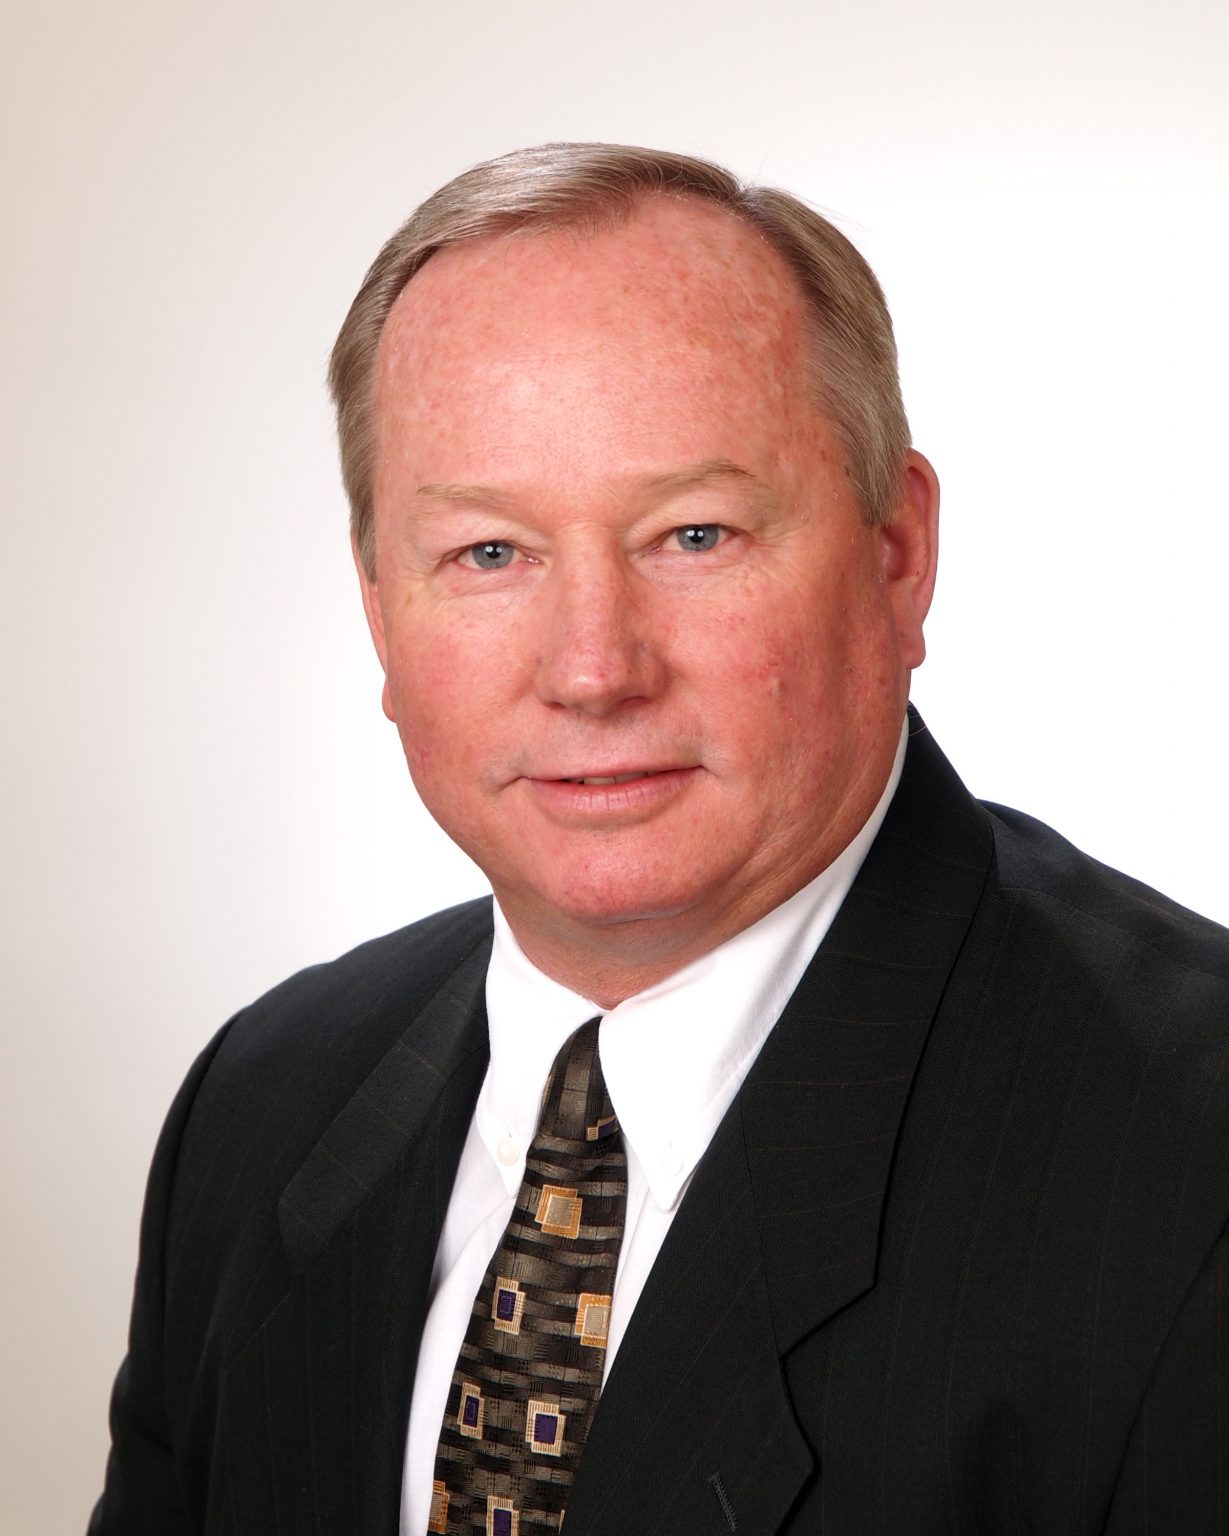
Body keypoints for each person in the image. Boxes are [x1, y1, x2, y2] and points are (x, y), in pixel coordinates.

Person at [91, 143, 1229, 1536]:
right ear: (380, 609)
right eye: (489, 553)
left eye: (693, 535)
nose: (592, 670)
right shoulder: (262, 1103)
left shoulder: (1193, 1168)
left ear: (897, 554)